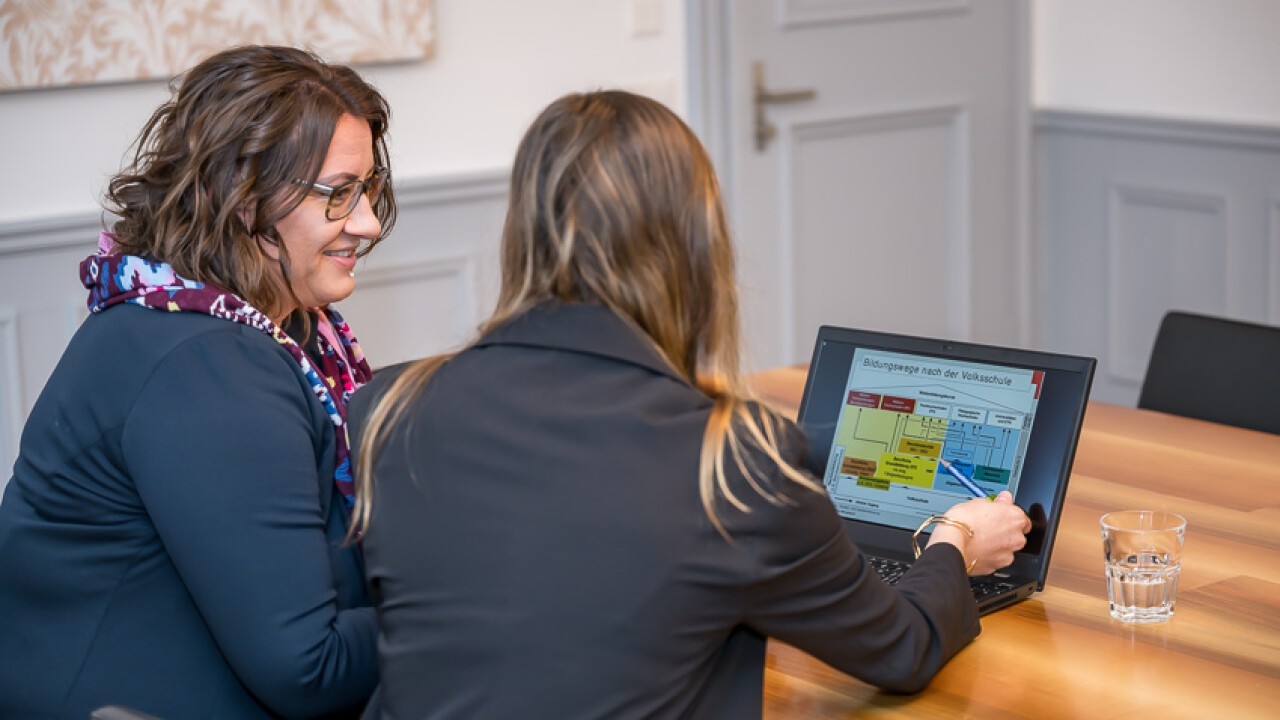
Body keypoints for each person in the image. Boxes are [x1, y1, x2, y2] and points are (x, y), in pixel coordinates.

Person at [347, 90, 1031, 719]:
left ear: (523, 230)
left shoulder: (389, 409)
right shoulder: (732, 460)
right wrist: (954, 540)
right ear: (694, 245)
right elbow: (900, 651)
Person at [0, 45, 396, 719]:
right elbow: (309, 668)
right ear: (242, 201)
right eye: (339, 194)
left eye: (370, 191)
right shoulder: (207, 362)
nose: (369, 223)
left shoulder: (258, 327)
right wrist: (464, 603)